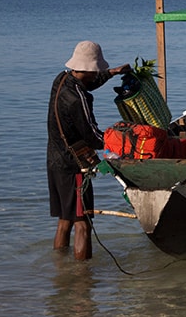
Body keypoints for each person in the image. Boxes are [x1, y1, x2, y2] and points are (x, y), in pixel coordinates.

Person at [46, 41, 130, 260]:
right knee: (83, 222)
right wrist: (121, 140)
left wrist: (112, 72)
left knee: (65, 220)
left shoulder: (61, 80)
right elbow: (93, 136)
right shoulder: (79, 99)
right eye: (97, 71)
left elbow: (87, 83)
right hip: (74, 166)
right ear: (91, 69)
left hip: (55, 160)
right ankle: (84, 278)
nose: (97, 74)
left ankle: (60, 269)